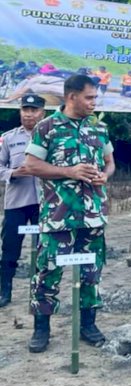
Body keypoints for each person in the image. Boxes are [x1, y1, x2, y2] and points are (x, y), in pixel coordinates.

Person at [23, 74, 115, 352]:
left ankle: (88, 324)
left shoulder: (98, 128)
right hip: (58, 216)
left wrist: (104, 176)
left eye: (95, 98)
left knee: (91, 273)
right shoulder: (47, 127)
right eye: (89, 97)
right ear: (71, 96)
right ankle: (41, 329)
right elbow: (32, 165)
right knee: (47, 272)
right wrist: (68, 172)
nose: (93, 103)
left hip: (93, 216)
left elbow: (111, 163)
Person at [0, 94, 45, 307]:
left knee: (43, 250)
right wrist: (14, 173)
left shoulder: (50, 137)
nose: (29, 114)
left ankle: (40, 292)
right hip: (16, 203)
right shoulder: (8, 138)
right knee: (10, 249)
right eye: (25, 109)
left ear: (42, 112)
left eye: (34, 110)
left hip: (43, 204)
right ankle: (4, 291)